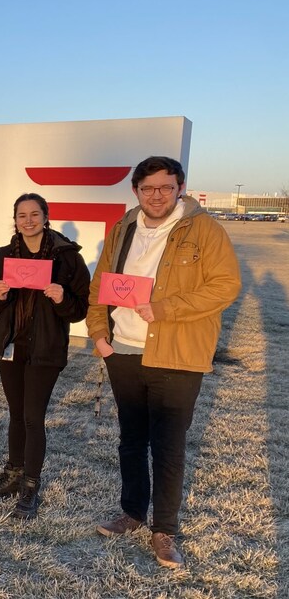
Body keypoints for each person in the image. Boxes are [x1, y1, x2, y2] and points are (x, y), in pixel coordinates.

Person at [88, 156, 240, 568]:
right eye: (148, 188)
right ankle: (133, 513)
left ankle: (164, 530)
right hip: (123, 351)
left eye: (166, 188)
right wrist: (100, 335)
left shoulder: (204, 229)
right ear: (136, 191)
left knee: (168, 446)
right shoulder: (122, 228)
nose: (157, 196)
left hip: (176, 354)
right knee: (131, 440)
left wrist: (166, 308)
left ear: (180, 188)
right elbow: (101, 284)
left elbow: (226, 286)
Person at [0, 193, 90, 520]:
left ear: (45, 217)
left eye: (34, 214)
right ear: (15, 219)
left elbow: (80, 309)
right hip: (13, 346)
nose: (28, 220)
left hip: (46, 349)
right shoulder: (2, 256)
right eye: (22, 215)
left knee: (32, 416)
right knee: (15, 413)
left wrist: (62, 297)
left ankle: (30, 483)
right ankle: (12, 473)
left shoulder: (67, 258)